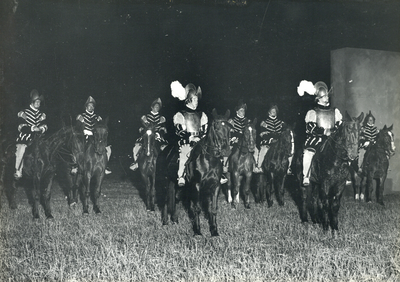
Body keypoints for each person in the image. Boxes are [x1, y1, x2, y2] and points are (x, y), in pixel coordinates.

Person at [171, 81, 228, 187]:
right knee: (185, 153)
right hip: (186, 141)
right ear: (189, 100)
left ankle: (219, 174)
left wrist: (200, 137)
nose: (197, 101)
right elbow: (179, 130)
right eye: (195, 99)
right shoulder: (180, 114)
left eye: (197, 99)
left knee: (213, 151)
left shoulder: (202, 115)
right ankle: (181, 175)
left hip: (200, 140)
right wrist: (191, 137)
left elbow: (205, 129)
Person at [301, 81, 343, 186]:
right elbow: (310, 127)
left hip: (332, 138)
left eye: (327, 96)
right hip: (317, 138)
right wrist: (324, 131)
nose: (327, 98)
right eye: (324, 96)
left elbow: (339, 123)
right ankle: (306, 175)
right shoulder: (313, 112)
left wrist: (334, 131)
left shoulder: (335, 111)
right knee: (308, 153)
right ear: (318, 99)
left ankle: (344, 176)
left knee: (343, 151)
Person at [14, 89, 48, 179]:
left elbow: (45, 125)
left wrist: (42, 128)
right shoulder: (24, 113)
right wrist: (33, 128)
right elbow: (21, 127)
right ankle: (18, 170)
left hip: (38, 137)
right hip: (25, 137)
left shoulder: (41, 114)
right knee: (21, 149)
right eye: (36, 101)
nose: (38, 103)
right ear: (32, 102)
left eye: (39, 102)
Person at [75, 96, 112, 174]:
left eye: (92, 106)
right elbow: (77, 128)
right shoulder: (81, 116)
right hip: (84, 136)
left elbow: (101, 127)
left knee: (107, 148)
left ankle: (105, 165)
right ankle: (76, 165)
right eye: (89, 106)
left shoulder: (97, 117)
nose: (91, 107)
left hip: (96, 136)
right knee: (79, 147)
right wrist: (84, 132)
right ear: (86, 106)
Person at [129, 98, 167, 171]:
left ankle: (163, 165)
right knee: (137, 147)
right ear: (152, 107)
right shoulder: (145, 117)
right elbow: (140, 127)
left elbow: (163, 128)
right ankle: (136, 163)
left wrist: (159, 132)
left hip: (156, 135)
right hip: (146, 135)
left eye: (158, 107)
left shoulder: (161, 118)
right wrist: (142, 130)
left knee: (164, 147)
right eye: (156, 106)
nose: (157, 108)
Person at [253, 104, 284, 173]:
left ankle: (288, 167)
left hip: (279, 142)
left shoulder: (280, 123)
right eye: (272, 111)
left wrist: (279, 139)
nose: (274, 112)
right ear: (269, 112)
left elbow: (282, 133)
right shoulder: (264, 122)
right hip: (268, 142)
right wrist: (271, 139)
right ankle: (259, 166)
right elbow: (263, 134)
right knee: (263, 150)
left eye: (275, 111)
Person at [225, 99, 251, 172]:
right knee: (228, 149)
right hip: (234, 140)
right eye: (241, 110)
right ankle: (225, 166)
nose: (243, 112)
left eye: (244, 111)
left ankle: (256, 166)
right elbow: (229, 132)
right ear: (237, 111)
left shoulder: (248, 121)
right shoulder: (232, 121)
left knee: (255, 150)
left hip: (245, 141)